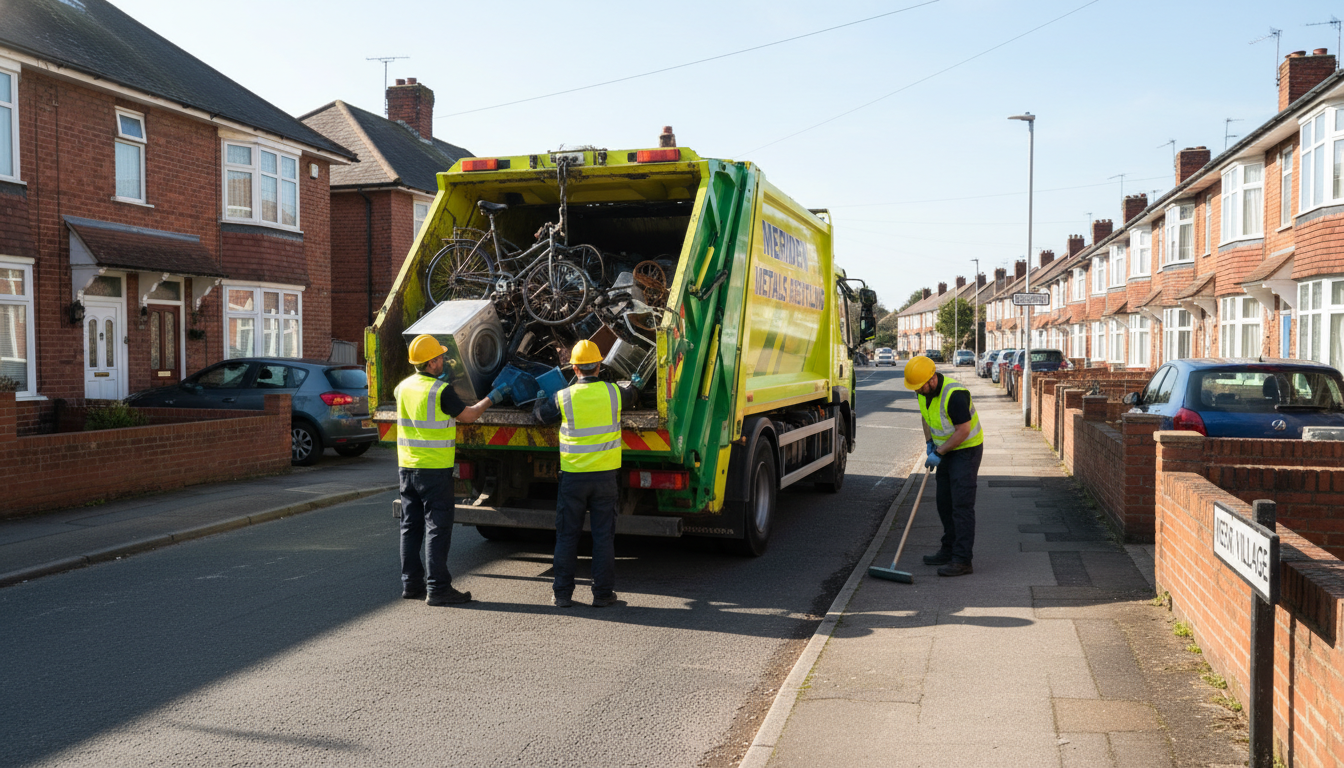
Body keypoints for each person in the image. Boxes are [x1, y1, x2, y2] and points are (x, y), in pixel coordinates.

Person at [396, 334, 507, 606]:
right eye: (440, 357)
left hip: (407, 467)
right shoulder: (440, 391)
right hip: (434, 470)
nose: (444, 360)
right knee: (437, 527)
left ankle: (411, 585)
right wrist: (492, 398)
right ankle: (438, 589)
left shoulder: (403, 387)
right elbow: (468, 415)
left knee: (410, 527)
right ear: (431, 362)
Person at [533, 340, 637, 608]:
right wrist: (633, 383)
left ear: (574, 368)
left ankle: (563, 595)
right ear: (599, 366)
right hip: (605, 478)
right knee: (603, 537)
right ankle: (603, 595)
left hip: (573, 477)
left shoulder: (564, 396)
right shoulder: (614, 393)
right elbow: (633, 394)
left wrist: (540, 399)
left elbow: (541, 417)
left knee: (567, 536)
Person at [904, 354, 983, 577]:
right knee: (944, 503)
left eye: (920, 386)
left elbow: (963, 431)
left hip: (965, 451)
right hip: (944, 450)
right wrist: (929, 441)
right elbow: (926, 416)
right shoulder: (921, 391)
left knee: (961, 506)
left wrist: (938, 452)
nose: (917, 391)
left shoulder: (956, 394)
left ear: (931, 379)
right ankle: (948, 550)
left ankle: (962, 560)